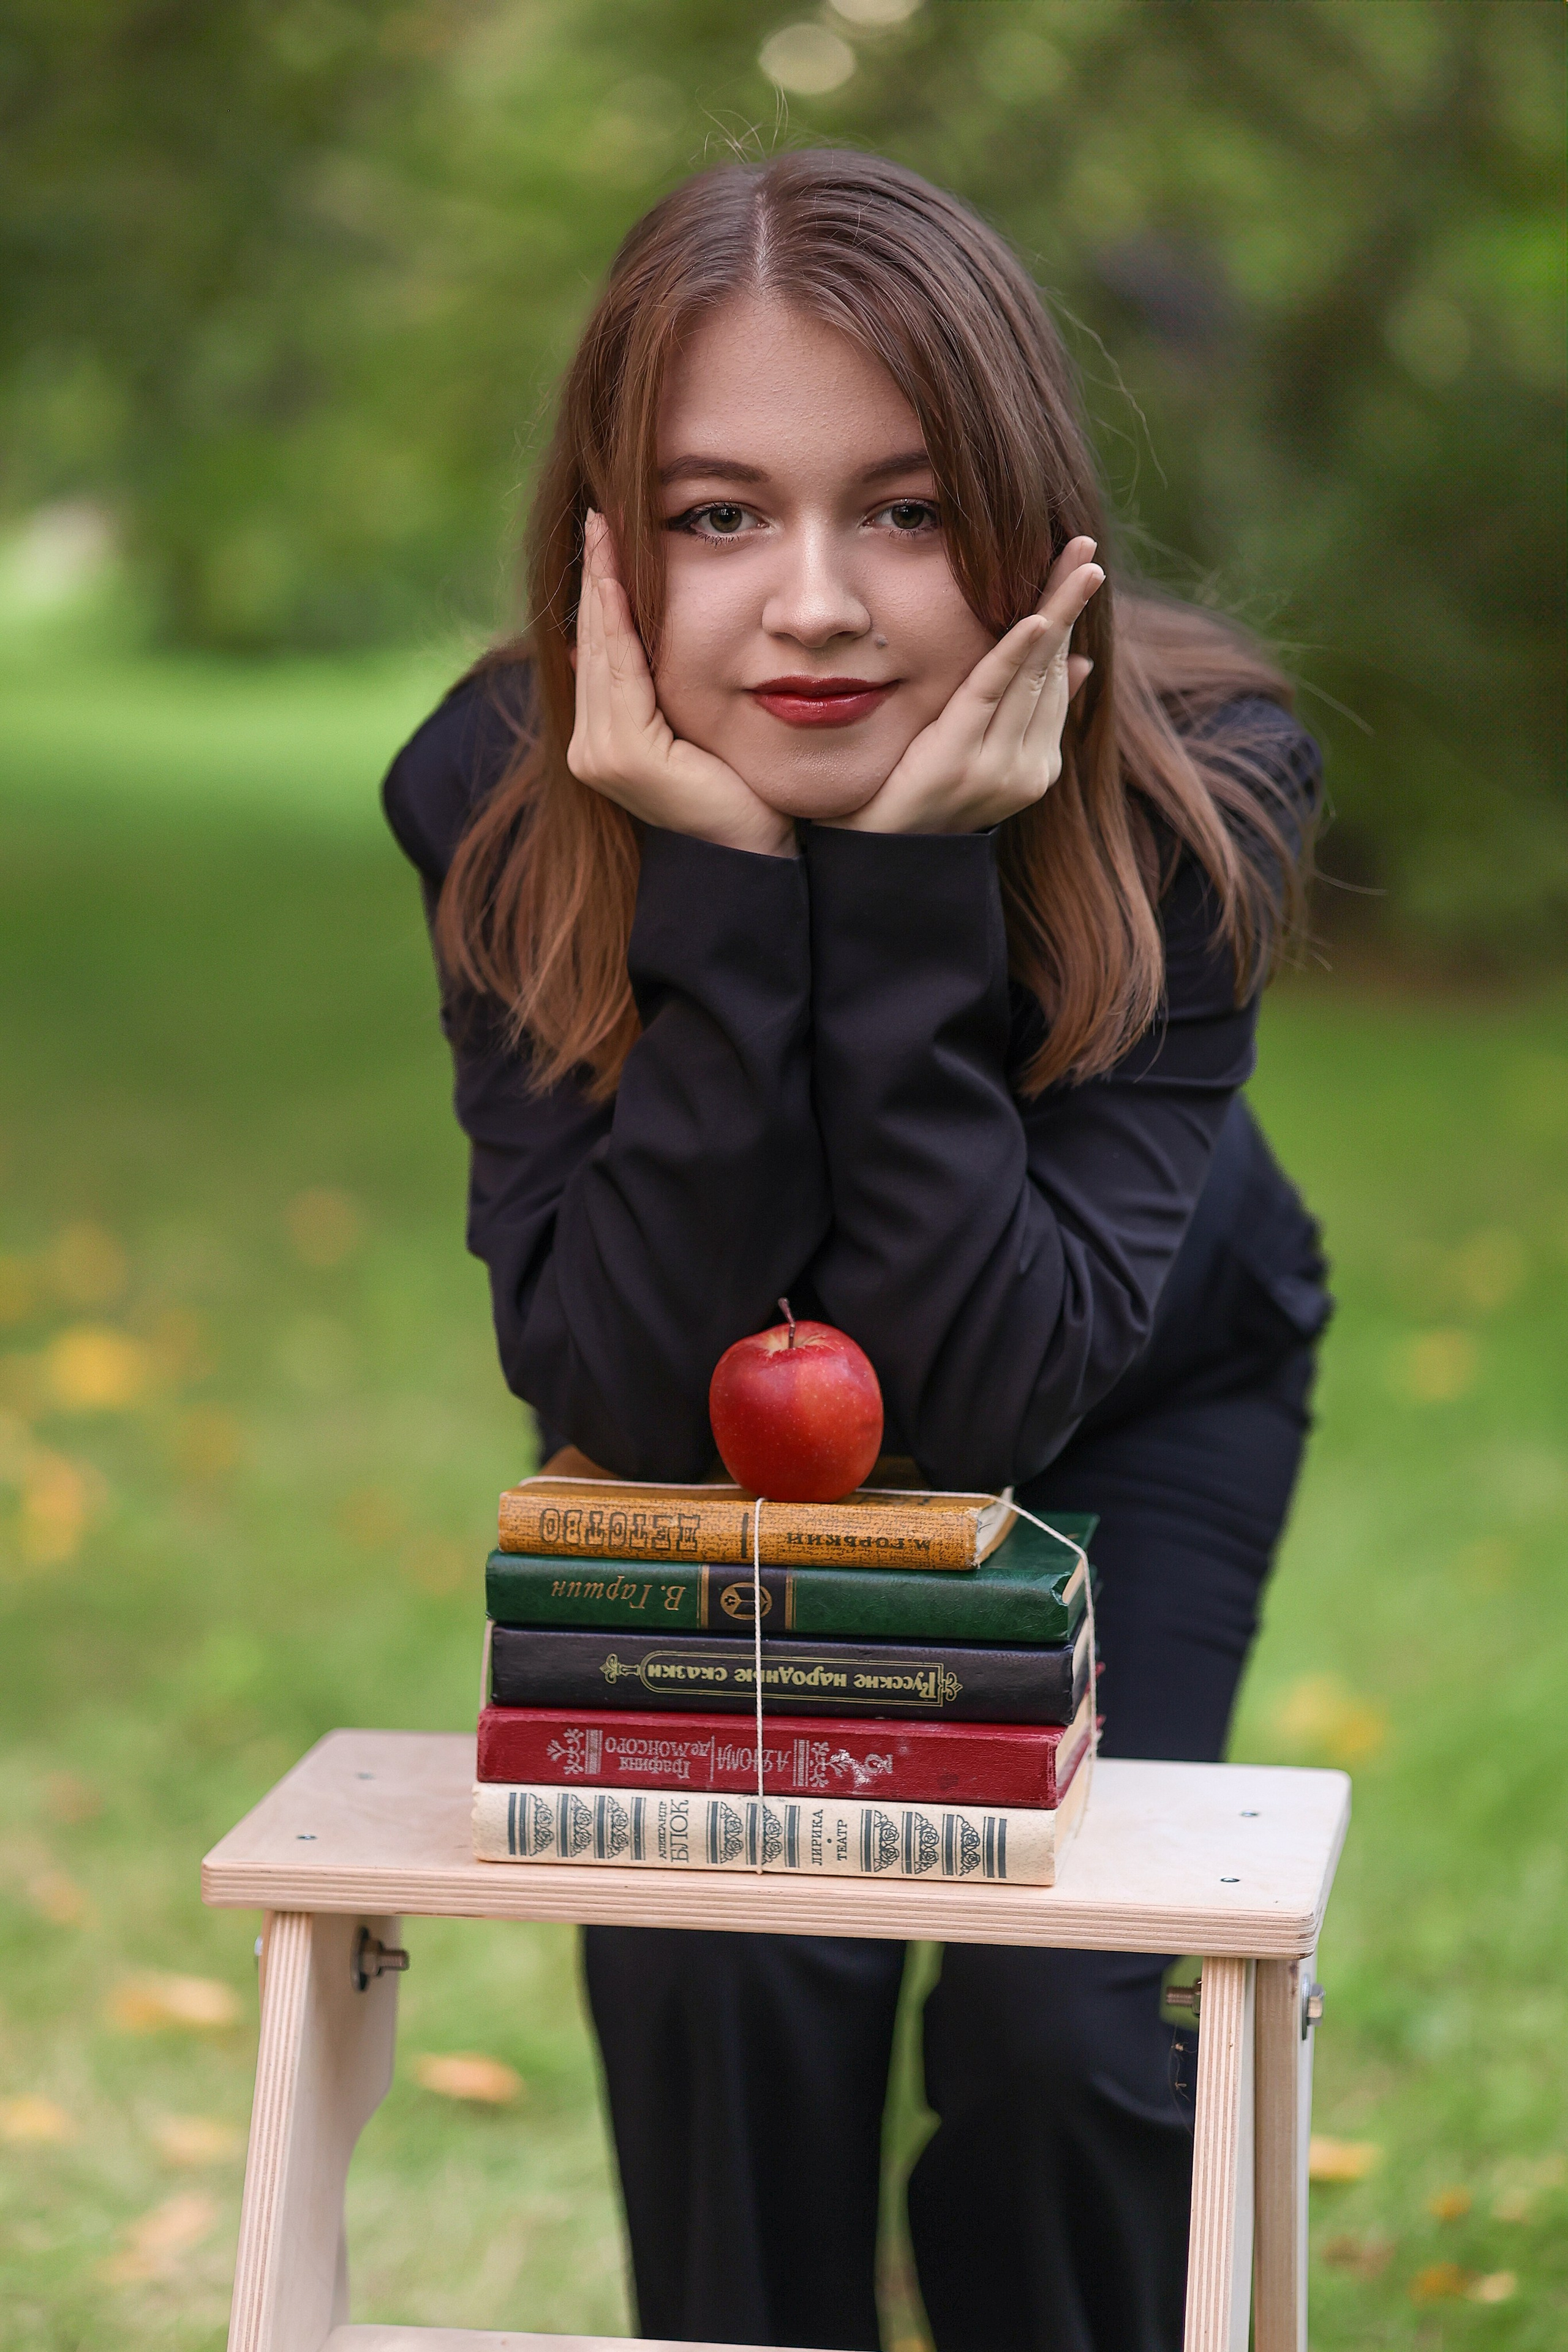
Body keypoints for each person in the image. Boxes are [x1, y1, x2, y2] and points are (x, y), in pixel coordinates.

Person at [383, 150, 1330, 2352]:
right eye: (722, 515)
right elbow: (623, 1386)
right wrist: (716, 884)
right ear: (607, 546)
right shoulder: (500, 797)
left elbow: (999, 1396)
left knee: (1064, 2048)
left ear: (1025, 526)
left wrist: (904, 895)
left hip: (1131, 1402)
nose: (813, 602)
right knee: (727, 1976)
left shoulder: (1204, 783)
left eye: (902, 512)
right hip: (707, 1449)